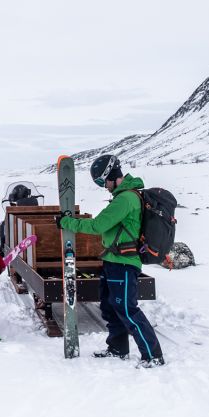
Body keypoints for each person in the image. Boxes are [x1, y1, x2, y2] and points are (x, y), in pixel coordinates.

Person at [56, 154, 165, 367]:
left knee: (126, 309)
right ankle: (118, 348)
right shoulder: (122, 197)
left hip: (124, 263)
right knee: (109, 306)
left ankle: (153, 356)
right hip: (113, 260)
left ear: (111, 175)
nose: (103, 186)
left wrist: (67, 222)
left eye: (102, 181)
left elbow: (98, 226)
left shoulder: (126, 199)